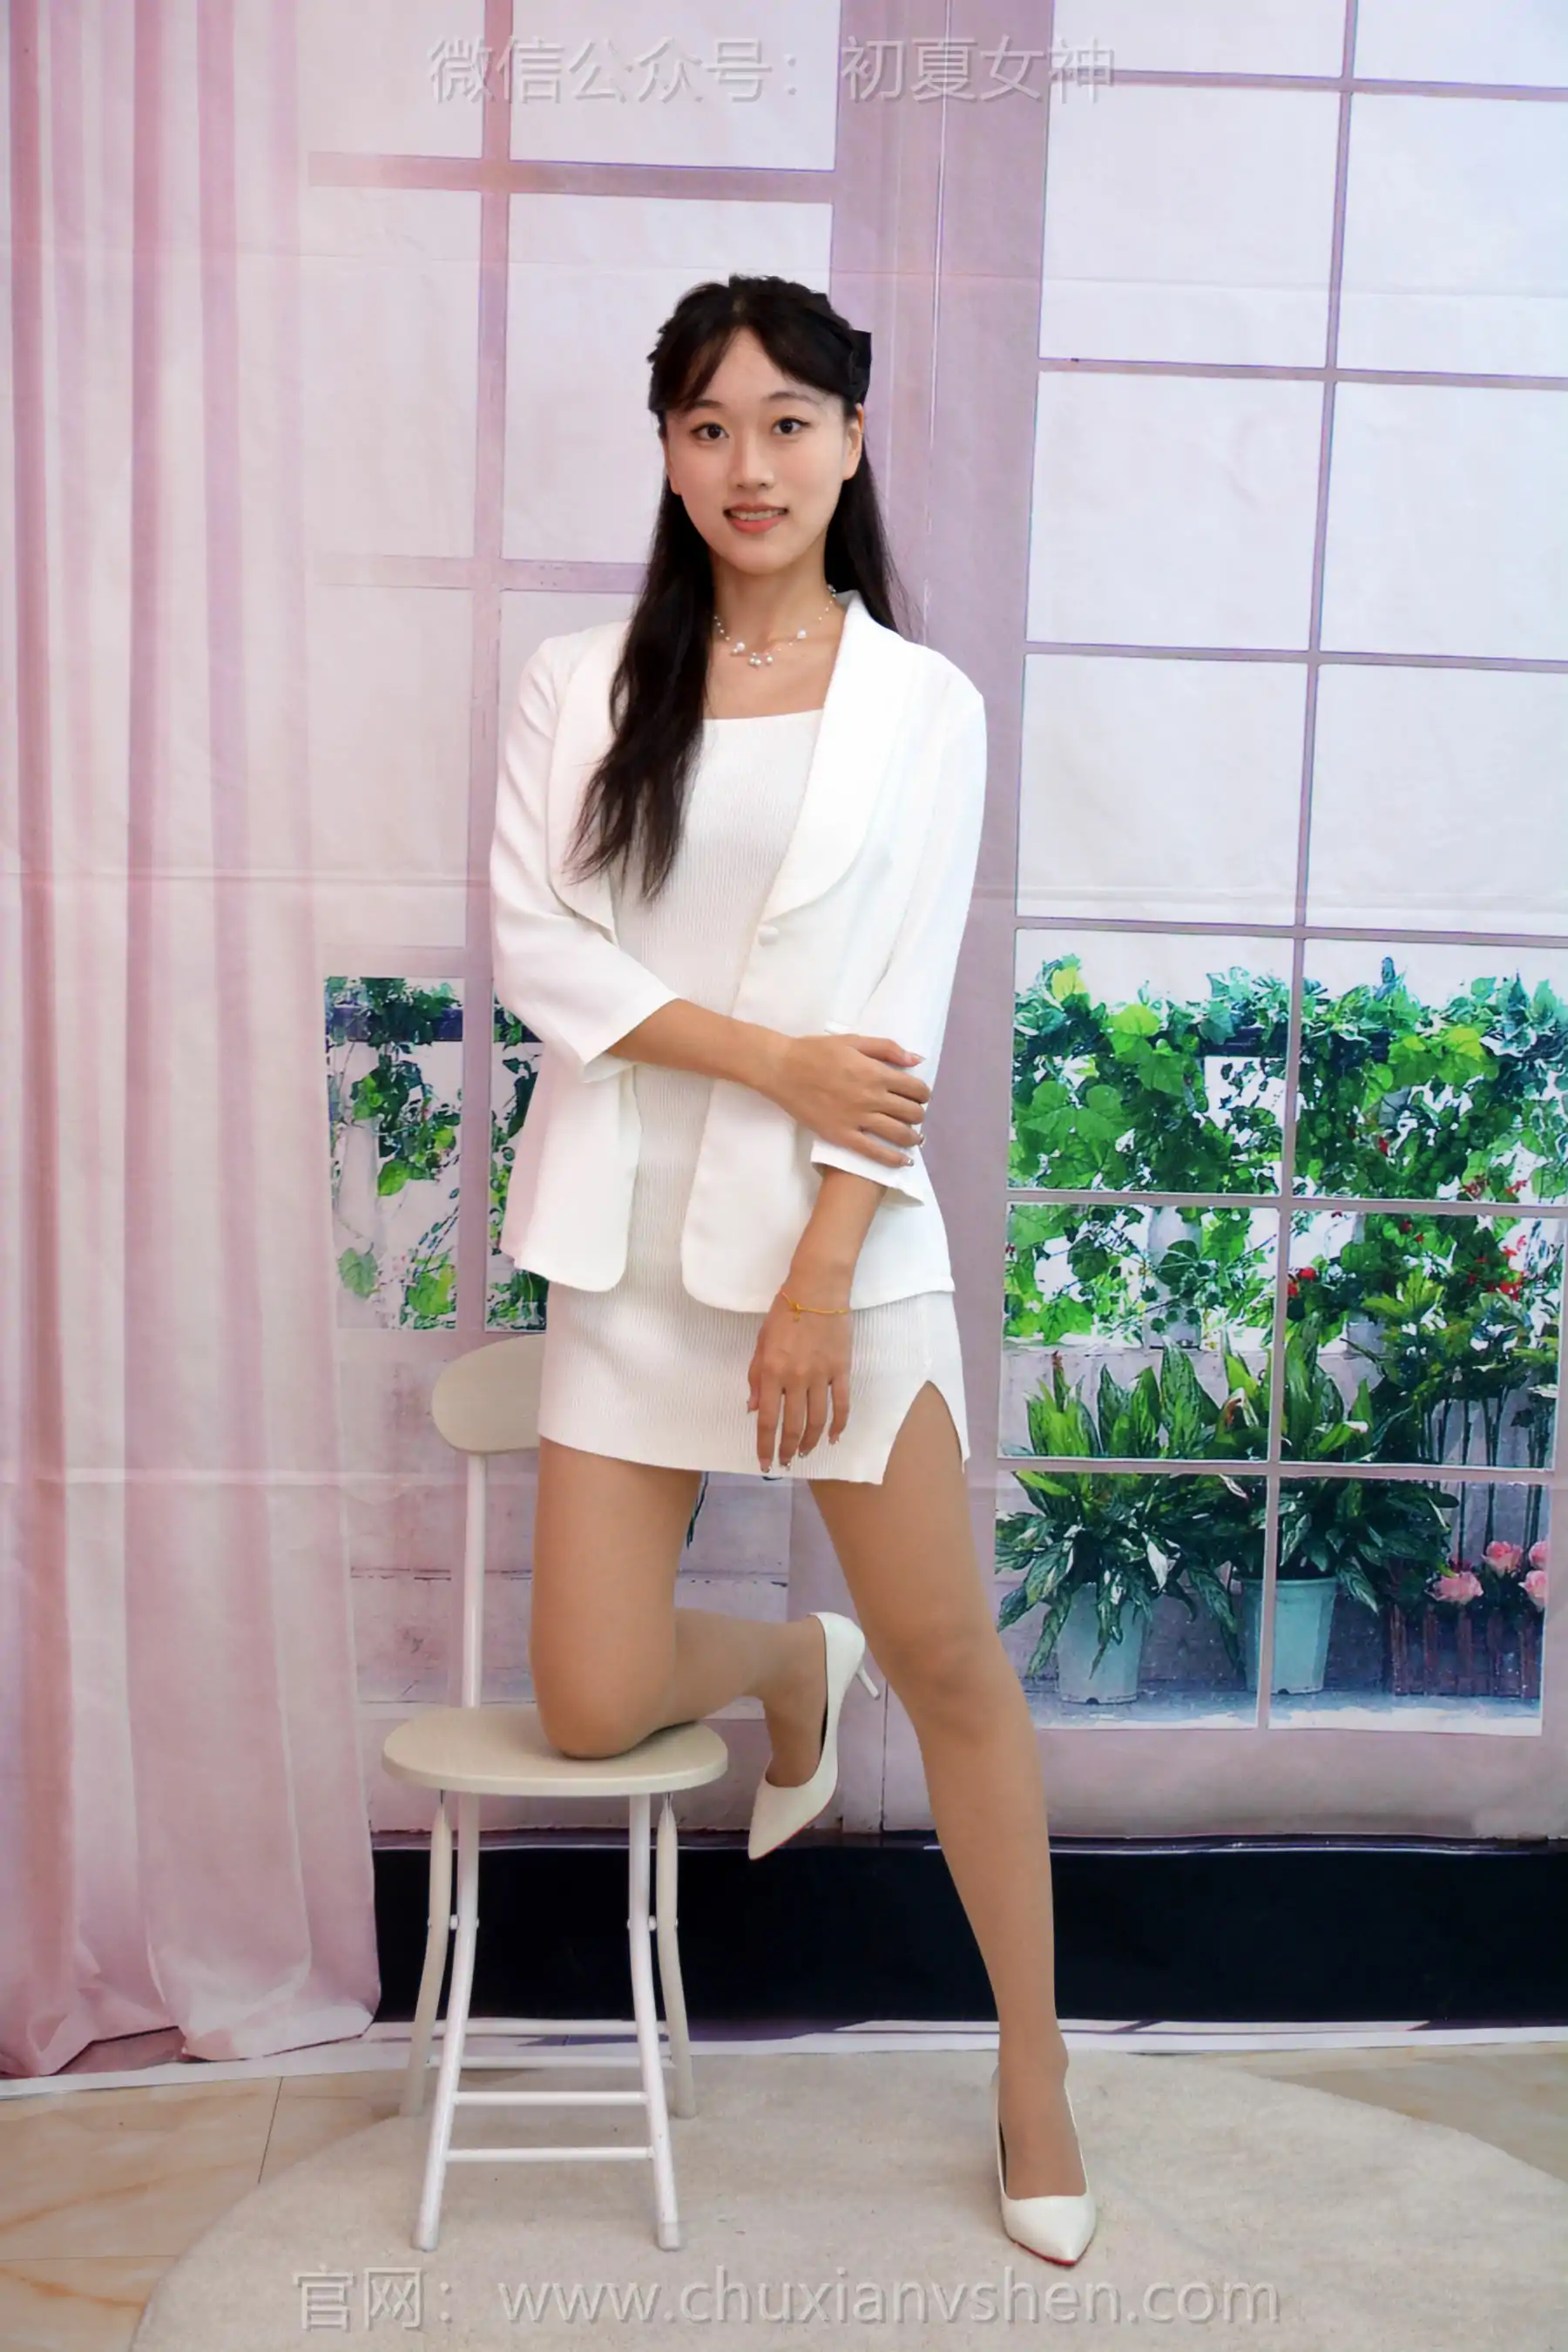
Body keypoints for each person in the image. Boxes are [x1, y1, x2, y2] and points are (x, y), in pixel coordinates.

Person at [489, 273, 1095, 2262]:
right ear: (668, 453)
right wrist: (762, 1056)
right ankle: (776, 1665)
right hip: (624, 1246)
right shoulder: (579, 681)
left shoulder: (925, 705)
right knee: (590, 1704)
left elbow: (892, 1017)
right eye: (706, 427)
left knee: (951, 1658)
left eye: (784, 423)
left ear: (849, 439)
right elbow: (543, 955)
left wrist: (825, 1269)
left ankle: (1033, 2070)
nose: (746, 464)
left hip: (843, 1239)